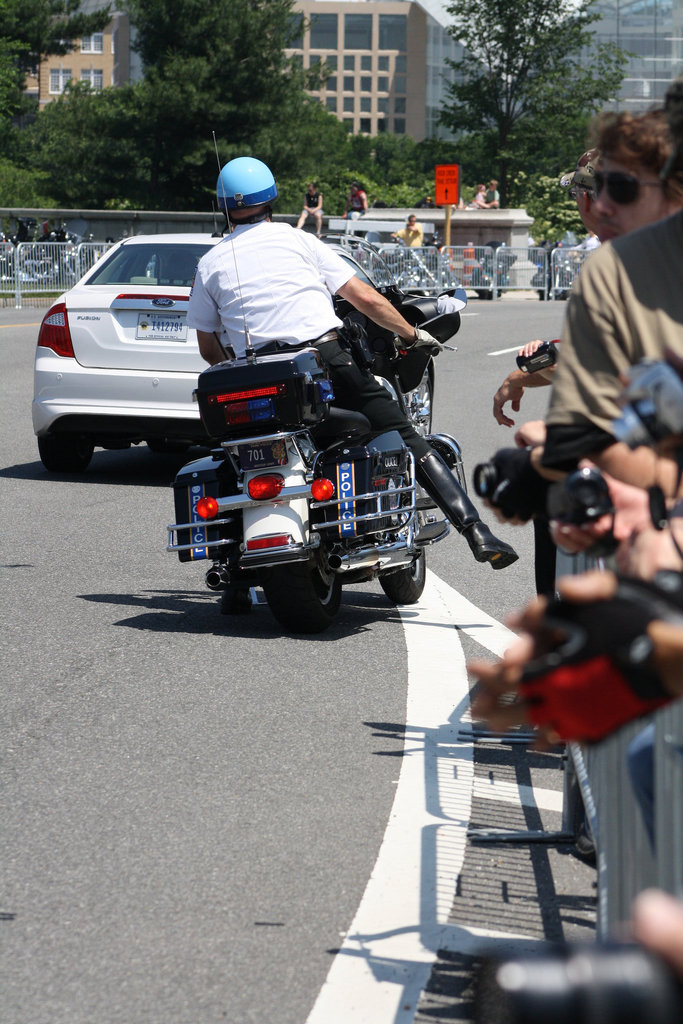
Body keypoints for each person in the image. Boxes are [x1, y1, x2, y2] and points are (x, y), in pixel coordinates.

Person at [187, 157, 518, 576]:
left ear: (224, 208)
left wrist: (240, 376)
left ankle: (235, 579)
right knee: (402, 433)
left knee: (242, 457)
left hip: (256, 376)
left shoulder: (211, 261)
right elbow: (367, 300)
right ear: (272, 199)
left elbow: (207, 345)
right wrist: (413, 336)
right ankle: (477, 533)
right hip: (320, 361)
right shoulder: (298, 241)